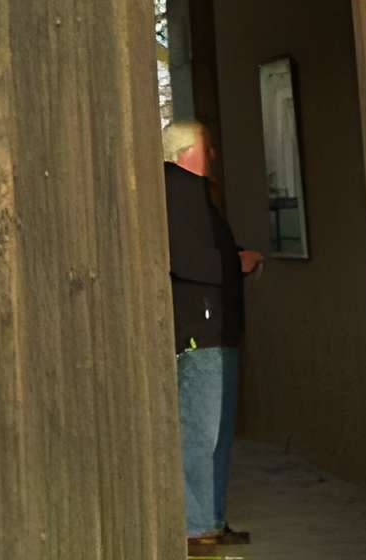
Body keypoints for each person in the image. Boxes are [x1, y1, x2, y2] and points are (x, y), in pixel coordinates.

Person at [163, 117, 262, 555]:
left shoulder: (193, 195)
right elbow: (182, 258)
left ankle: (211, 522)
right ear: (187, 152)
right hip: (202, 329)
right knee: (202, 432)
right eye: (208, 147)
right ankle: (198, 527)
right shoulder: (177, 192)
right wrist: (233, 265)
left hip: (214, 326)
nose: (215, 155)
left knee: (216, 431)